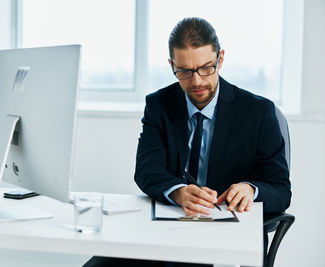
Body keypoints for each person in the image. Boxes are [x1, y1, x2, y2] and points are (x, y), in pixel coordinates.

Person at [83, 17, 291, 267]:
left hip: (229, 235)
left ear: (220, 59)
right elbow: (147, 170)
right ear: (172, 65)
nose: (197, 81)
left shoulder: (258, 112)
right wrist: (179, 192)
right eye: (184, 71)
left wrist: (250, 189)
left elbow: (280, 189)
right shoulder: (159, 105)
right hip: (170, 227)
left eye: (206, 68)